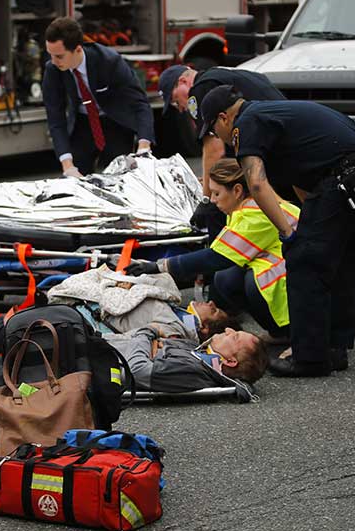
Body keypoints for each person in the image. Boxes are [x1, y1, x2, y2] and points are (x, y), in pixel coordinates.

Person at [198, 84, 355, 377]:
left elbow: (256, 183)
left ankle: (309, 358)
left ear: (224, 118)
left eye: (215, 131)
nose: (221, 138)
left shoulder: (248, 123)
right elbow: (302, 177)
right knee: (342, 261)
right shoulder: (273, 114)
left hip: (342, 179)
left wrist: (289, 234)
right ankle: (334, 348)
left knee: (304, 261)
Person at [119, 158, 299, 341]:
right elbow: (223, 252)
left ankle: (292, 332)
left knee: (254, 283)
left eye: (216, 193)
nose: (212, 200)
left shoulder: (256, 213)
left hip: (302, 267)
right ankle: (279, 331)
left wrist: (160, 266)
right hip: (288, 259)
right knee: (225, 278)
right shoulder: (245, 207)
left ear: (237, 191)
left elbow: (217, 257)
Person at [0, 323, 267, 401]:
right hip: (89, 354)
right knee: (9, 346)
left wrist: (145, 337)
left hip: (86, 372)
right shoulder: (197, 354)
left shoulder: (195, 371)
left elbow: (140, 372)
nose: (227, 332)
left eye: (233, 338)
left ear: (228, 363)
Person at [158, 64, 285, 240]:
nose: (179, 107)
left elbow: (214, 149)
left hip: (270, 152)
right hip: (284, 143)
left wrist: (206, 198)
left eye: (174, 100)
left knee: (217, 209)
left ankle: (226, 259)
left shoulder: (200, 90)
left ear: (183, 81)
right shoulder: (228, 75)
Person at [0, 298, 240, 357]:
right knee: (9, 322)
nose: (207, 301)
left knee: (9, 332)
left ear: (207, 325)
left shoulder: (175, 330)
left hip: (86, 330)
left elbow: (129, 339)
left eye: (215, 308)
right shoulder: (175, 311)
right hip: (85, 316)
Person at [42, 17, 155, 177]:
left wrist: (144, 146)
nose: (53, 61)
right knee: (74, 182)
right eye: (50, 55)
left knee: (119, 180)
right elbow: (55, 118)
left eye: (59, 56)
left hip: (115, 122)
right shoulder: (52, 69)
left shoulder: (110, 61)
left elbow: (140, 104)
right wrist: (67, 165)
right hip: (83, 123)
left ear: (78, 50)